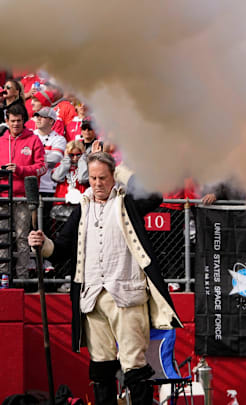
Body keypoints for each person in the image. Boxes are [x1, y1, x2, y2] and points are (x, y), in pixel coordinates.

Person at [28, 152, 182, 405]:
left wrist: (120, 170)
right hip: (91, 299)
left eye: (103, 177)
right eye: (92, 178)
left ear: (113, 178)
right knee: (101, 369)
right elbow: (62, 247)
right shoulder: (83, 208)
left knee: (135, 367)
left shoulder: (127, 203)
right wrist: (43, 243)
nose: (97, 183)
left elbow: (154, 195)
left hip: (127, 294)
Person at [0, 104, 46, 280]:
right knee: (2, 239)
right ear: (7, 121)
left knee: (22, 238)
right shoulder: (1, 141)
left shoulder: (33, 140)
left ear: (24, 121)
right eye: (12, 121)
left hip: (23, 198)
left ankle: (22, 278)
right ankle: (3, 277)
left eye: (19, 121)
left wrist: (20, 169)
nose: (16, 124)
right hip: (2, 197)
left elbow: (42, 168)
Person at [33, 107, 67, 199]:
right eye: (37, 116)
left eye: (43, 117)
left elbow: (55, 159)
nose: (38, 119)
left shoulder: (59, 139)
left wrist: (31, 159)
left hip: (48, 186)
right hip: (30, 185)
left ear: (51, 121)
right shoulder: (29, 135)